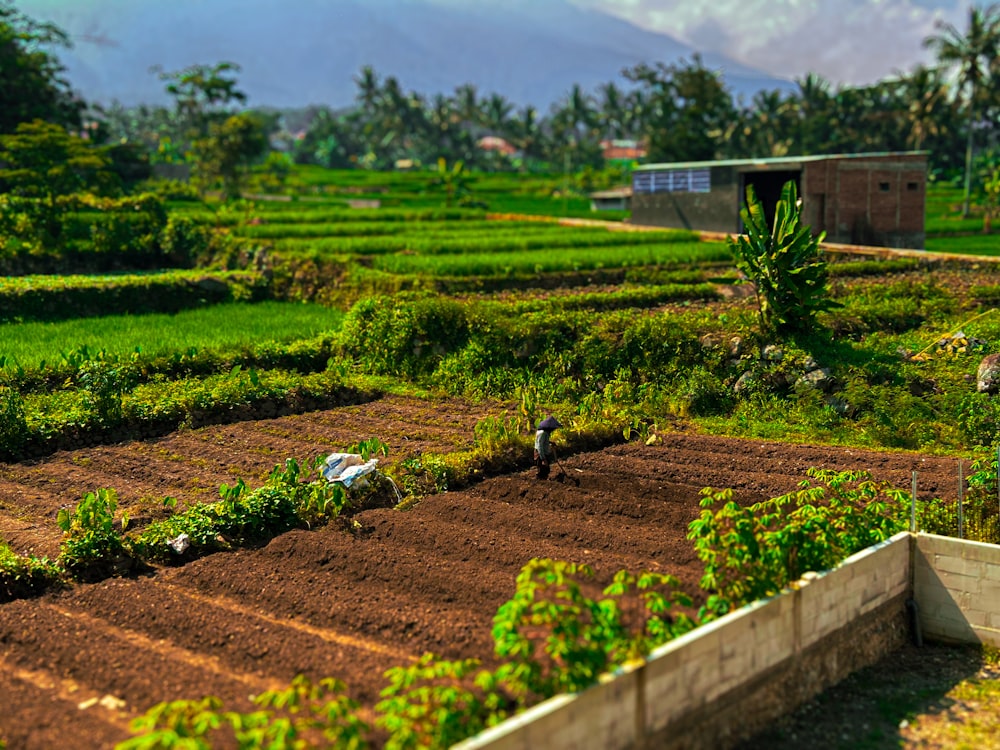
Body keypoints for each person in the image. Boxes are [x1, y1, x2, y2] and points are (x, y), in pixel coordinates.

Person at [533, 415, 560, 480]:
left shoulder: (545, 433)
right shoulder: (542, 433)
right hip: (540, 453)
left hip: (544, 452)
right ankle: (540, 483)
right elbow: (540, 446)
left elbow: (543, 441)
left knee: (546, 469)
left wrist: (550, 442)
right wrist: (543, 458)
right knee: (542, 469)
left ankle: (544, 481)